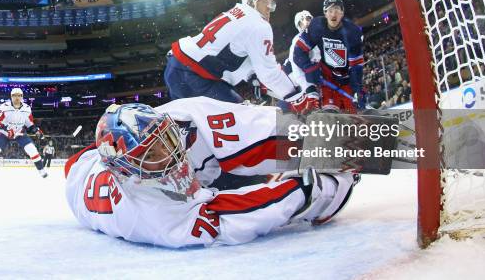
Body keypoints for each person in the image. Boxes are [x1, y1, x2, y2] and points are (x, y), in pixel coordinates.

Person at [65, 98, 358, 248]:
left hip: (86, 165)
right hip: (88, 170)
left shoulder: (136, 158)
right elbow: (249, 212)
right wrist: (321, 189)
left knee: (201, 119)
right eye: (151, 154)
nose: (171, 154)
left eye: (165, 139)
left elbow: (161, 137)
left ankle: (307, 135)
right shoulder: (154, 217)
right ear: (128, 173)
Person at [164, 0, 318, 114]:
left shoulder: (234, 14)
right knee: (241, 120)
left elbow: (234, 55)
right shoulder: (259, 25)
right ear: (253, 0)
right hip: (194, 76)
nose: (270, 8)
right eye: (267, 2)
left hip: (176, 67)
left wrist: (252, 76)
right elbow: (269, 73)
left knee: (190, 129)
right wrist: (295, 97)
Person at [293, 0, 365, 113]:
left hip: (346, 79)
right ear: (325, 13)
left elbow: (356, 65)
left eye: (337, 10)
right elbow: (298, 53)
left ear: (342, 13)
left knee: (353, 116)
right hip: (327, 78)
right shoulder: (316, 27)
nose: (333, 14)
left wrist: (357, 87)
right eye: (330, 10)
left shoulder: (352, 32)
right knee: (330, 116)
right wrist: (309, 69)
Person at [0, 88, 47, 178]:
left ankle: (41, 170)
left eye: (19, 95)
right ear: (11, 97)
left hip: (20, 133)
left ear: (22, 97)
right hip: (5, 134)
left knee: (32, 149)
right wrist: (7, 129)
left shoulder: (27, 108)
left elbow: (29, 123)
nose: (17, 98)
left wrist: (36, 131)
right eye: (14, 95)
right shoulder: (4, 107)